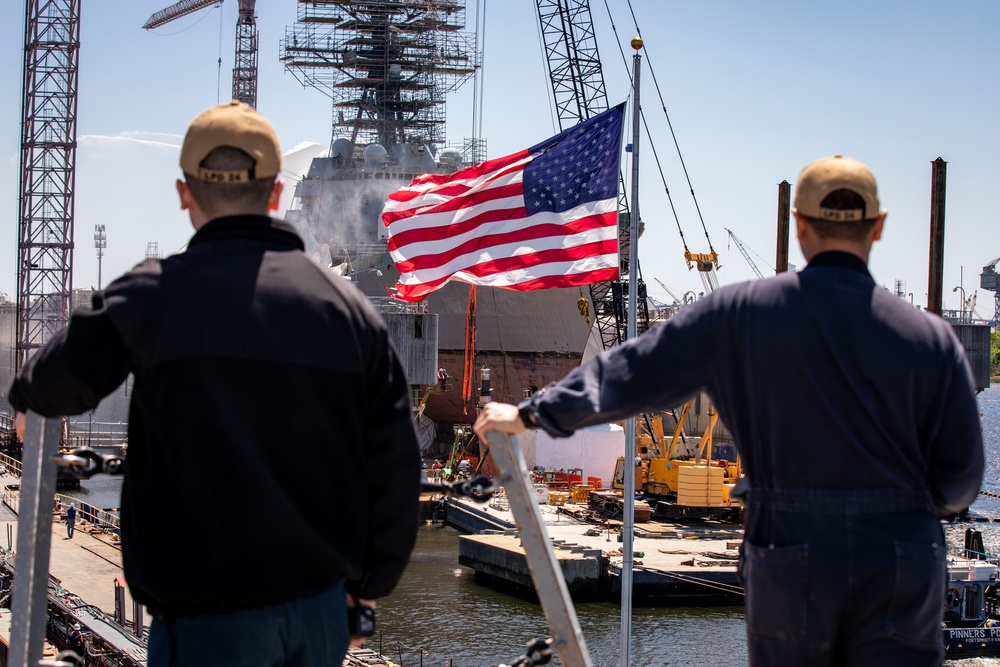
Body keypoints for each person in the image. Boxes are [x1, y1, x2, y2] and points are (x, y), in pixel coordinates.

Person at [473, 155, 984, 666]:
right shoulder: (932, 340)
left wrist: (530, 414)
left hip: (791, 551)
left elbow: (633, 372)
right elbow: (960, 481)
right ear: (879, 226)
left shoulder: (739, 315)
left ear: (799, 224)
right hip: (901, 551)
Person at [9, 101, 422, 667]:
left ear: (186, 193)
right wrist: (365, 590)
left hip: (208, 614)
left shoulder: (154, 294)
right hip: (318, 612)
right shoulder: (349, 311)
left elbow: (51, 384)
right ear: (277, 194)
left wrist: (29, 409)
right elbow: (396, 468)